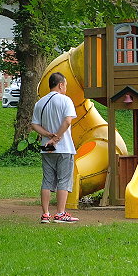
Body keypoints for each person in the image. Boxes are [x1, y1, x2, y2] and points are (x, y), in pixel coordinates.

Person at [31, 72, 79, 223]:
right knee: (63, 180)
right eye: (65, 85)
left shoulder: (40, 103)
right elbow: (67, 121)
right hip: (64, 148)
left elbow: (34, 124)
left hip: (46, 147)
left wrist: (48, 136)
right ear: (60, 85)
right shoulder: (65, 100)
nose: (66, 87)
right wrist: (57, 137)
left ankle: (45, 214)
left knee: (47, 180)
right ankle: (60, 213)